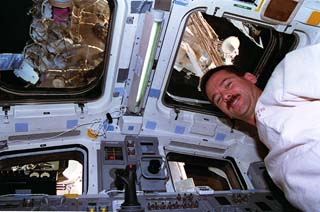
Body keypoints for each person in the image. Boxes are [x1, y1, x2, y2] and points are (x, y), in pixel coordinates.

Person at [200, 42, 320, 211]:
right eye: (218, 99)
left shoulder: (285, 80)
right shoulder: (272, 163)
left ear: (250, 78)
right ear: (228, 115)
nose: (226, 95)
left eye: (228, 84)